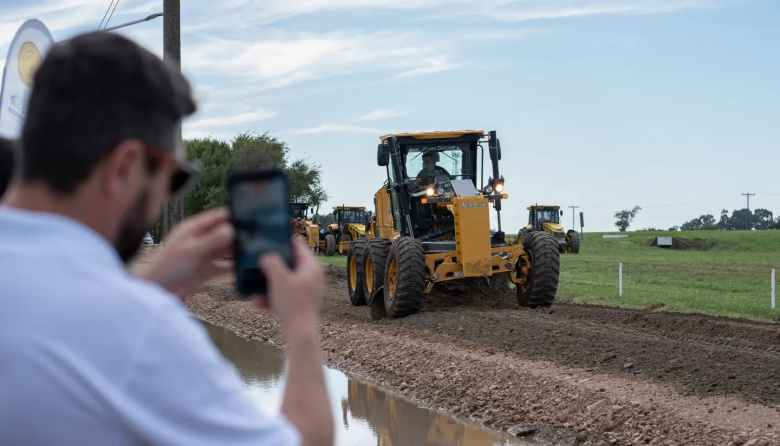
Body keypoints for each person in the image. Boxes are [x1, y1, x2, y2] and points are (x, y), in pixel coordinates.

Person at [0, 31, 333, 446]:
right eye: (174, 177)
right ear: (125, 167)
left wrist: (151, 288)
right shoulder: (141, 330)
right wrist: (302, 325)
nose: (166, 200)